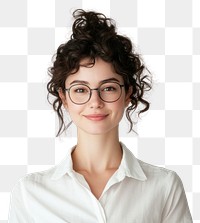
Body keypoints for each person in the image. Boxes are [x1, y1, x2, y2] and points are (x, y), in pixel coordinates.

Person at [8, 9, 193, 223]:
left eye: (108, 88)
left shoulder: (164, 186)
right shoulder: (30, 193)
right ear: (64, 97)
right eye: (80, 90)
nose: (95, 102)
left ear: (128, 94)